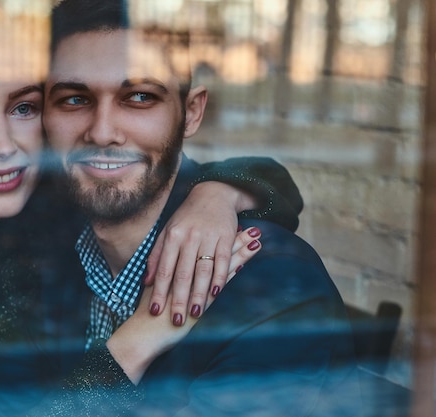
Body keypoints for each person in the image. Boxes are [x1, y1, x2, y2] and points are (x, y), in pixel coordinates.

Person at [0, 1, 302, 416]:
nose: (3, 145)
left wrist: (216, 194)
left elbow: (265, 180)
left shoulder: (49, 194)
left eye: (23, 108)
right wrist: (137, 340)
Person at [26, 0, 363, 415]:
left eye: (139, 97)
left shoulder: (274, 289)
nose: (102, 132)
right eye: (74, 100)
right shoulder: (49, 244)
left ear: (190, 112)